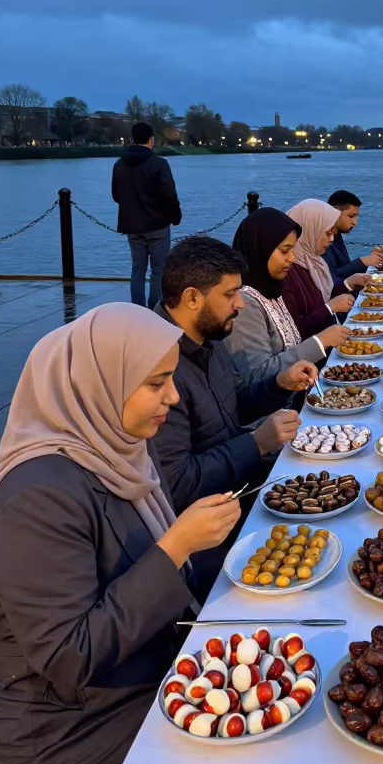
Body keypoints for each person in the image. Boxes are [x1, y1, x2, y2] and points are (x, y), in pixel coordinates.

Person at [0, 304, 241, 764]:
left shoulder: (118, 446)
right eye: (156, 383)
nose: (172, 398)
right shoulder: (37, 496)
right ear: (98, 382)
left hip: (141, 665)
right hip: (70, 727)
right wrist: (176, 548)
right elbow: (69, 655)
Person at [152, 237, 312, 595]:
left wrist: (277, 384)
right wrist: (256, 444)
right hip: (209, 532)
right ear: (192, 297)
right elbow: (176, 486)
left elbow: (228, 408)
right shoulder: (159, 371)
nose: (240, 304)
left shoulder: (208, 339)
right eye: (230, 294)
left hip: (241, 486)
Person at [228, 207, 352, 382]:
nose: (292, 258)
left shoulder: (271, 290)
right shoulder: (245, 303)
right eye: (285, 250)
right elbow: (258, 376)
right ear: (261, 249)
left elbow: (290, 343)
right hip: (280, 406)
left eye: (292, 250)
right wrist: (319, 342)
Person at [111, 121, 182, 309]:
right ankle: (155, 310)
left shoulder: (119, 165)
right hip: (157, 224)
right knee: (158, 271)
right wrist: (175, 217)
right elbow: (169, 195)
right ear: (151, 140)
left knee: (137, 270)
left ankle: (137, 310)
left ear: (132, 139)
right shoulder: (159, 163)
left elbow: (116, 196)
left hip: (132, 226)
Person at [283, 199, 365, 334]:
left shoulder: (314, 261)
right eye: (328, 232)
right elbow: (293, 331)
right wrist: (330, 308)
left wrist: (348, 284)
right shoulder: (289, 271)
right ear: (311, 229)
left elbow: (323, 298)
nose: (332, 238)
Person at [324, 190, 383, 281]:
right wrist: (362, 262)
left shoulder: (337, 235)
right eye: (351, 216)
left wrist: (370, 260)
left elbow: (343, 268)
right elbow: (329, 278)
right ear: (334, 213)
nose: (355, 222)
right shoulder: (323, 241)